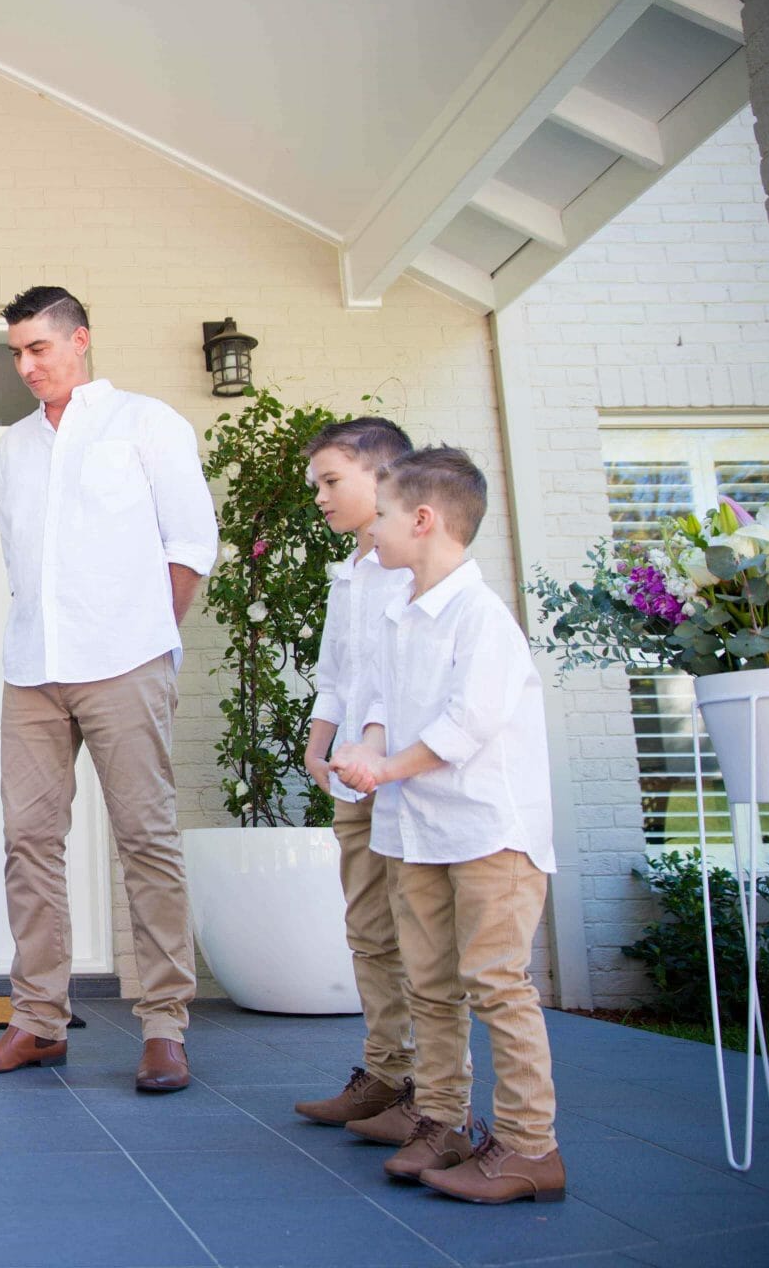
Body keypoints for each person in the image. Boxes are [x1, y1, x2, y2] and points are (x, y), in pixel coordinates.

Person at [0, 287, 217, 1091]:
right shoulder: (15, 446)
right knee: (28, 843)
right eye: (17, 353)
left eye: (39, 348)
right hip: (33, 667)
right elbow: (18, 554)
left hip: (126, 658)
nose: (27, 366)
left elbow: (190, 540)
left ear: (81, 341)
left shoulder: (145, 421)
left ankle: (165, 1025)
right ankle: (38, 1020)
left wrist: (151, 634)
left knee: (146, 838)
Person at [331, 446, 565, 1203]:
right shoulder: (401, 613)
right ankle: (441, 1121)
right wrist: (366, 745)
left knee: (496, 983)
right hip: (417, 833)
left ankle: (532, 1149)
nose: (377, 530)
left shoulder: (480, 616)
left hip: (487, 834)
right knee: (431, 985)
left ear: (423, 521)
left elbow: (469, 723)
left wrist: (387, 768)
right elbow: (383, 705)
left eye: (388, 516)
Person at [293, 416, 461, 1135]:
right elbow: (338, 673)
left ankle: (432, 1095)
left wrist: (374, 750)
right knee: (367, 927)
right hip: (353, 777)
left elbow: (406, 686)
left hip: (407, 777)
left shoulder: (414, 569)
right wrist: (317, 741)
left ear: (383, 475)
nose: (322, 499)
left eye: (332, 482)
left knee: (419, 934)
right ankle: (386, 1074)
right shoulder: (350, 575)